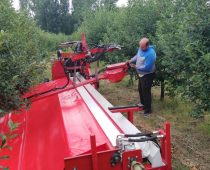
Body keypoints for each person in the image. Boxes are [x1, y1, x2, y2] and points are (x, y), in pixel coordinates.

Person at [128, 38, 156, 116]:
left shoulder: (151, 54)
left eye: (142, 47)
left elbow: (147, 67)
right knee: (141, 89)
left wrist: (136, 67)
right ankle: (143, 105)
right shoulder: (141, 48)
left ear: (147, 45)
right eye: (140, 46)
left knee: (146, 92)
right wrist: (131, 60)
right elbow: (138, 56)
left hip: (148, 75)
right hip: (141, 74)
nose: (141, 48)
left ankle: (148, 111)